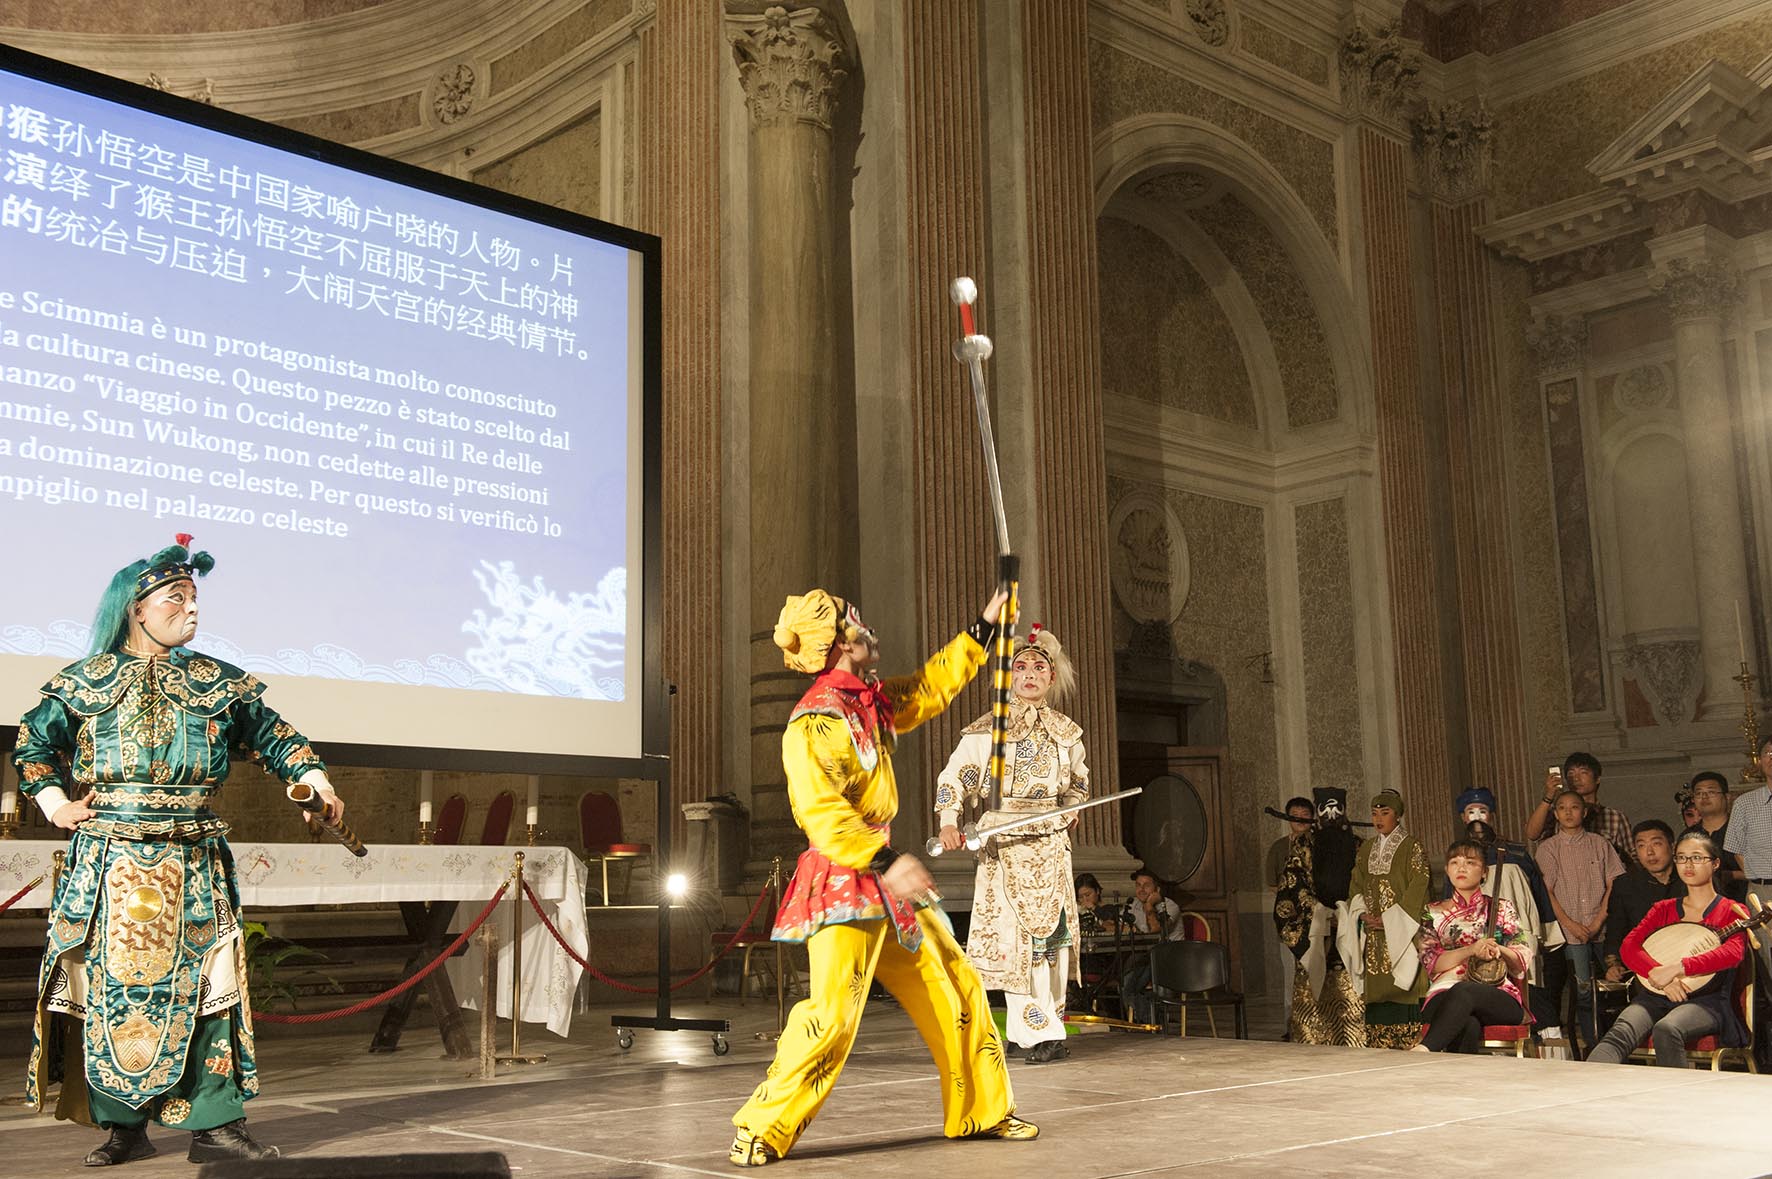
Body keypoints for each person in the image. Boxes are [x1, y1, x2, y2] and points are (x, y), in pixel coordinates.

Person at [11, 537, 346, 1167]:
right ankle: (122, 1126)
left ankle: (215, 1123)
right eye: (176, 597)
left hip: (191, 859)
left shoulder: (215, 681)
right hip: (108, 860)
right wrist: (57, 805)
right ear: (136, 609)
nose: (191, 609)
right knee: (109, 989)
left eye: (194, 597)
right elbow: (32, 747)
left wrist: (316, 785)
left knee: (208, 986)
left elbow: (278, 737)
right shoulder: (82, 683)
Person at [729, 586, 1035, 1167]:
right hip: (849, 875)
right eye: (857, 622)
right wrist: (886, 861)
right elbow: (822, 813)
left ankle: (981, 1110)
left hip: (886, 875)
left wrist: (985, 625)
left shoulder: (866, 701)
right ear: (836, 643)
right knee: (832, 1017)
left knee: (956, 982)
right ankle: (761, 1126)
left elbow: (928, 688)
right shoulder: (814, 723)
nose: (870, 629)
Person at [937, 625, 1088, 1065]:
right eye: (1019, 667)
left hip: (1051, 844)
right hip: (1005, 845)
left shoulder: (1067, 733)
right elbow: (954, 779)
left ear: (1052, 678)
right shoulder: (989, 732)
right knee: (1017, 944)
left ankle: (1049, 1028)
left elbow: (1079, 783)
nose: (1029, 674)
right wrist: (950, 820)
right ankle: (1033, 1033)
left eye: (1039, 667)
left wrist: (1074, 806)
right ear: (1006, 677)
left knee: (1053, 942)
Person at [1588, 832, 1750, 1067]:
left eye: (1696, 858)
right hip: (1656, 995)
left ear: (1715, 863)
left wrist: (1678, 968)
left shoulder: (1731, 910)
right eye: (1682, 858)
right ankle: (1583, 1091)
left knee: (1667, 1028)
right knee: (1620, 1031)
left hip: (1707, 1000)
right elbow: (1629, 947)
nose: (1688, 865)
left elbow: (1733, 953)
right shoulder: (1663, 909)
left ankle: (1674, 1100)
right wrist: (1662, 977)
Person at [1412, 839, 1532, 1053]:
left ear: (1484, 872)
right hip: (1444, 991)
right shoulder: (1432, 911)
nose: (1461, 867)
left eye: (1470, 862)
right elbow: (1433, 963)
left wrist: (1499, 950)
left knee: (1465, 990)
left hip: (1495, 994)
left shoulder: (1502, 908)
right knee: (1468, 1024)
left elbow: (1521, 957)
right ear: (1447, 870)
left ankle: (1424, 1050)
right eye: (1454, 862)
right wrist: (1471, 950)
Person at [1273, 787, 1364, 1046]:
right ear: (1318, 811)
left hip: (1351, 924)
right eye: (1325, 808)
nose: (1331, 815)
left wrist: (1350, 911)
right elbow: (1293, 883)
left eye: (1337, 809)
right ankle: (1311, 1036)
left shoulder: (1358, 844)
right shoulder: (1304, 845)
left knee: (1350, 983)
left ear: (1345, 811)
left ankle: (1353, 1035)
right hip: (1316, 925)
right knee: (1314, 982)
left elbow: (1365, 883)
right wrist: (1319, 911)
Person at [1535, 788, 1624, 1054]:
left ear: (1584, 812)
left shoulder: (1600, 843)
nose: (1569, 813)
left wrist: (1598, 921)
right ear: (1555, 814)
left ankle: (1617, 1044)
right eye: (1562, 808)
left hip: (1603, 927)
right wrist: (1570, 925)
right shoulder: (1548, 848)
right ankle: (1592, 1047)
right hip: (1569, 932)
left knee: (1615, 988)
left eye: (1575, 807)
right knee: (1583, 991)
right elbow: (1546, 892)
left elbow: (1614, 883)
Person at [1345, 789, 1429, 1049]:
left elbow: (1420, 884)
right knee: (1377, 986)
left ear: (1398, 815)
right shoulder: (1367, 848)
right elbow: (1356, 884)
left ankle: (1410, 1041)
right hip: (1373, 932)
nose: (1378, 819)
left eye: (1385, 813)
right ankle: (1378, 1043)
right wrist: (1361, 914)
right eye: (1374, 813)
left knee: (1405, 981)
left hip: (1403, 931)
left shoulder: (1411, 846)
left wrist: (1392, 920)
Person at [1601, 821, 1685, 985]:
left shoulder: (1690, 879)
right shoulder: (1625, 885)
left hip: (1685, 963)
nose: (1649, 852)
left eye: (1656, 843)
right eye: (1641, 846)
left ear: (1673, 846)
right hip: (1644, 969)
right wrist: (1614, 965)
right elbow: (1615, 932)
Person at [1525, 753, 1632, 866]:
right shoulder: (1558, 812)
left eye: (1583, 772)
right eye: (1571, 773)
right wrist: (1549, 796)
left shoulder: (1614, 817)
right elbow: (1532, 834)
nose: (1576, 778)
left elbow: (1630, 856)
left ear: (1597, 779)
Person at [1267, 797, 1313, 1025]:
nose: (1300, 819)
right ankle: (1290, 1021)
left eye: (1305, 814)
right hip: (1290, 921)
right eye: (1295, 814)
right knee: (1290, 973)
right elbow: (1273, 884)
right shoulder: (1278, 848)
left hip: (1317, 920)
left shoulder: (1319, 844)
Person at [1118, 867, 1181, 1025]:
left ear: (1156, 888)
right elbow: (1114, 925)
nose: (1141, 889)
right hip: (1144, 957)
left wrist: (1150, 907)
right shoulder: (1133, 905)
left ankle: (1149, 1020)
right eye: (1138, 885)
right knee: (1123, 977)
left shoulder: (1170, 906)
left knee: (1128, 984)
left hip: (1169, 959)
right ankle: (1152, 1019)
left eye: (1146, 885)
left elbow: (1155, 930)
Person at [1681, 772, 1742, 898]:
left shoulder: (1742, 830)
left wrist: (1730, 875)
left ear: (1727, 797)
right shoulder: (1688, 836)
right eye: (1698, 793)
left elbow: (1762, 871)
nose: (1704, 797)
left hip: (1742, 899)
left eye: (1711, 792)